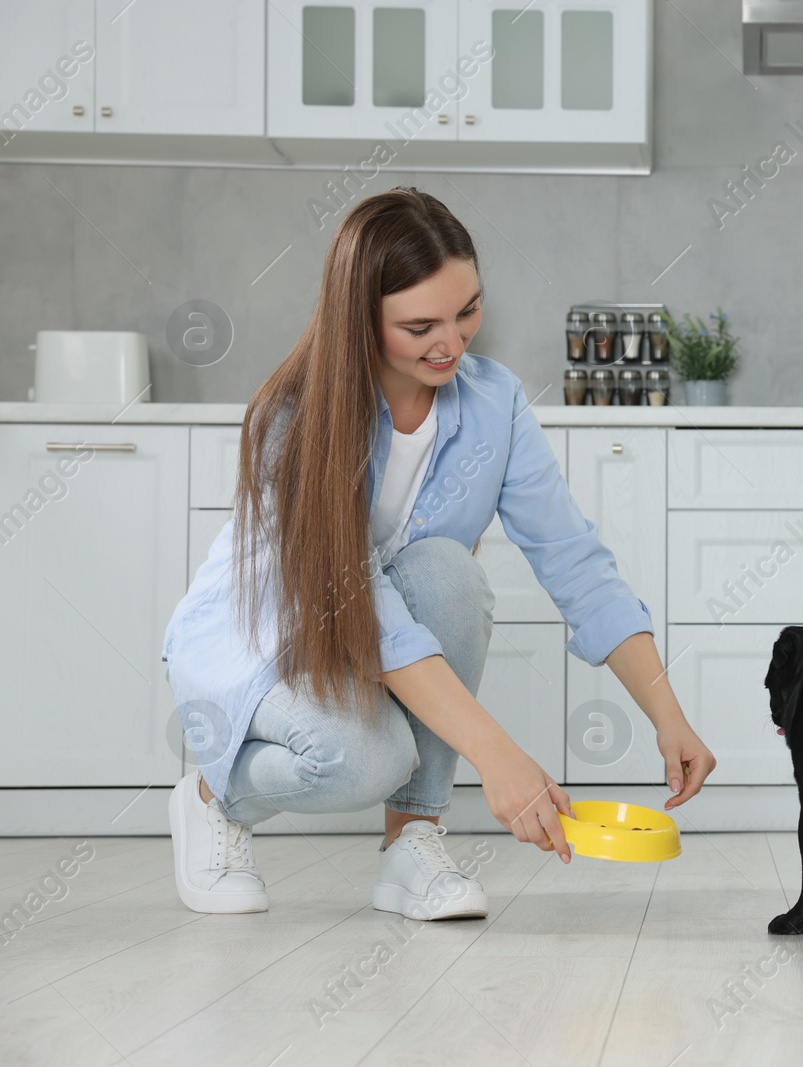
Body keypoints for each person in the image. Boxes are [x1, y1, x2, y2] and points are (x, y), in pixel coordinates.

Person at [162, 187, 715, 919]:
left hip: (372, 627)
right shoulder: (296, 419)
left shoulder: (494, 402)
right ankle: (212, 793)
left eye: (468, 311)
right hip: (265, 642)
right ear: (360, 317)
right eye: (420, 325)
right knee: (369, 758)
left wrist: (666, 711)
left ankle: (411, 844)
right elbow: (365, 604)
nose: (452, 342)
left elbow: (573, 558)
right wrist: (499, 757)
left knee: (450, 572)